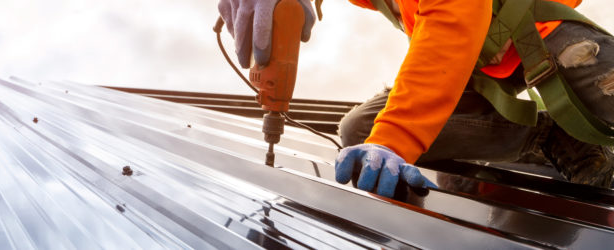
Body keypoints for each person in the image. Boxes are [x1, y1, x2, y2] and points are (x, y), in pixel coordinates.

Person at [217, 0, 614, 197]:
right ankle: (550, 137)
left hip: (546, 39)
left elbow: (449, 27)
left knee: (592, 77)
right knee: (359, 130)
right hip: (478, 70)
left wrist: (395, 139)